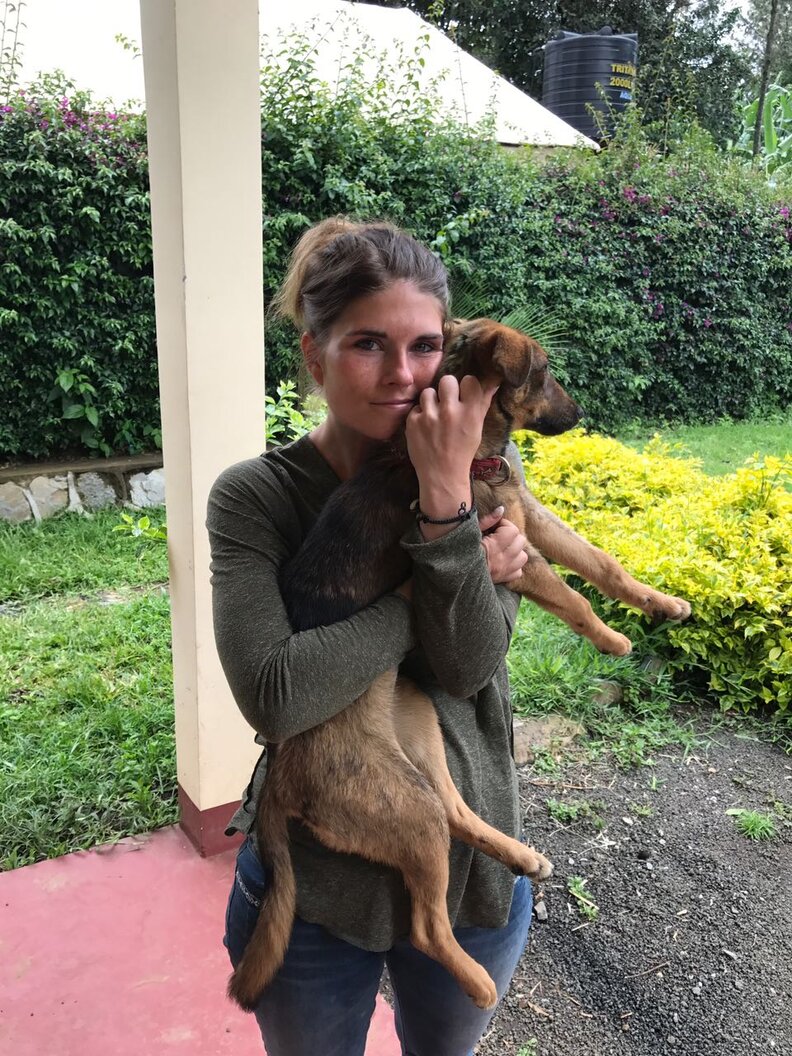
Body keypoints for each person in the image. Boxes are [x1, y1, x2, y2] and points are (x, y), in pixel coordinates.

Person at [207, 217, 535, 1056]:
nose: (404, 375)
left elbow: (466, 666)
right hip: (316, 891)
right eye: (366, 345)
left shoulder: (483, 469)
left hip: (472, 875)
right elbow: (278, 695)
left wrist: (445, 494)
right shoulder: (257, 497)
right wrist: (428, 577)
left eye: (425, 346)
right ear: (315, 358)